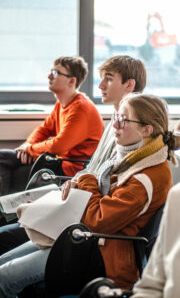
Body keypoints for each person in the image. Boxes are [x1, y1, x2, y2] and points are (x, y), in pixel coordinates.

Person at [0, 93, 177, 297]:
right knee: (3, 265)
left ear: (147, 130)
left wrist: (85, 181)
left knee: (4, 278)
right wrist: (80, 181)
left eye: (123, 120)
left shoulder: (147, 176)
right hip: (86, 238)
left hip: (103, 254)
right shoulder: (132, 156)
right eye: (116, 117)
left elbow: (98, 220)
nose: (115, 125)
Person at [0, 55, 147, 254]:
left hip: (77, 196)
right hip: (76, 192)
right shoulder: (114, 123)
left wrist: (57, 199)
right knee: (10, 167)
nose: (100, 86)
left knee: (8, 231)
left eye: (109, 79)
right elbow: (44, 130)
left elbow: (97, 187)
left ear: (129, 84)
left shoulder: (126, 135)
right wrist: (27, 146)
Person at [0, 56, 103, 196]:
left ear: (71, 81)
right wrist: (27, 145)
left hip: (69, 169)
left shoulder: (81, 109)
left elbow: (58, 146)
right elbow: (43, 130)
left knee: (10, 165)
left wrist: (30, 149)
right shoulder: (62, 104)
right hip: (55, 162)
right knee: (4, 157)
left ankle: (5, 211)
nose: (49, 76)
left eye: (55, 73)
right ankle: (5, 210)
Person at [132, 182, 180, 298]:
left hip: (119, 255)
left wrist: (88, 181)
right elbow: (152, 286)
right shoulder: (177, 196)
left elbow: (100, 222)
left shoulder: (143, 179)